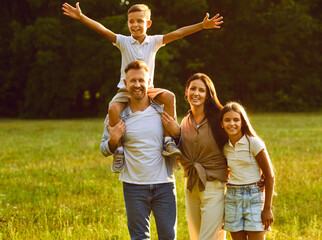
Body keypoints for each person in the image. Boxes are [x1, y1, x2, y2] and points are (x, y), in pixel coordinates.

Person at [62, 2, 224, 172]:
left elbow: (178, 33)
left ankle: (168, 141)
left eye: (139, 21)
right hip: (126, 90)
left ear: (148, 23)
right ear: (127, 24)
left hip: (149, 89)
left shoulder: (154, 42)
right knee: (113, 108)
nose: (135, 25)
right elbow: (102, 30)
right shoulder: (123, 42)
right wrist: (81, 17)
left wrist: (202, 26)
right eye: (131, 21)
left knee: (169, 97)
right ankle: (118, 151)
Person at [100, 60, 179, 240]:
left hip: (164, 185)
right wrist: (113, 140)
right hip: (133, 186)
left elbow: (179, 143)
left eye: (141, 80)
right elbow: (104, 149)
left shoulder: (162, 111)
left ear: (149, 82)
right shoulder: (118, 114)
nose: (137, 85)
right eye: (133, 81)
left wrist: (177, 132)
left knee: (168, 236)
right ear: (126, 83)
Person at [163, 73, 229, 240]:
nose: (196, 93)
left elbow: (237, 144)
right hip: (191, 185)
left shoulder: (220, 119)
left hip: (214, 185)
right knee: (196, 236)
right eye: (193, 89)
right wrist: (176, 134)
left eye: (201, 90)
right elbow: (181, 154)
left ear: (208, 94)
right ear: (186, 92)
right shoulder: (185, 121)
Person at [219, 102, 275, 240]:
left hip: (254, 198)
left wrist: (267, 209)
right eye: (227, 120)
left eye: (236, 120)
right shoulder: (225, 147)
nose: (232, 123)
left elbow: (270, 176)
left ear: (242, 122)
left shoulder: (254, 143)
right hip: (232, 198)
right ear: (221, 123)